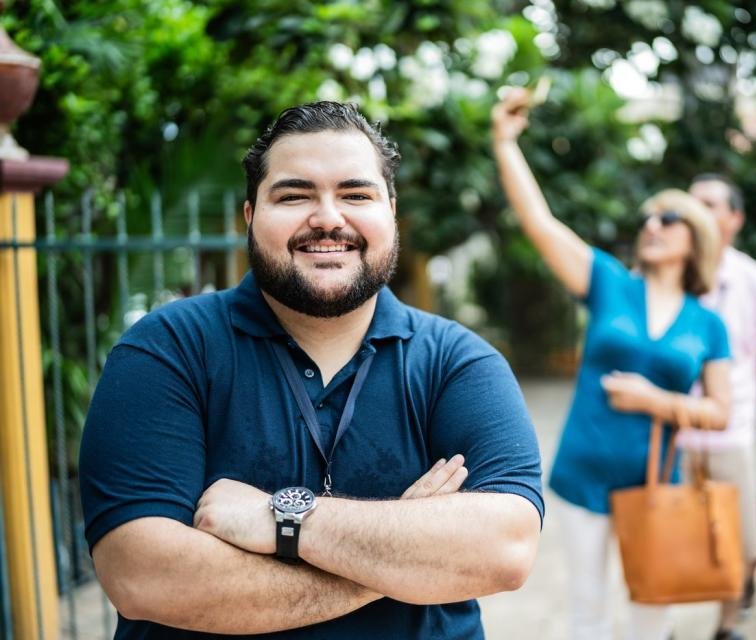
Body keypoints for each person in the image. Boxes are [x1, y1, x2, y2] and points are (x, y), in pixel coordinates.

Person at [79, 101, 544, 639]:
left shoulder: (458, 363)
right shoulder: (167, 350)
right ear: (251, 217)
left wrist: (283, 517)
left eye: (355, 194)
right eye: (295, 195)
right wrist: (398, 565)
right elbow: (144, 576)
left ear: (391, 212)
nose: (327, 217)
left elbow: (504, 549)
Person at [492, 89, 731, 640]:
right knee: (589, 616)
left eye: (667, 217)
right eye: (647, 217)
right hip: (585, 472)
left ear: (695, 238)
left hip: (654, 482)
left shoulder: (708, 324)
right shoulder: (607, 282)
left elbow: (721, 411)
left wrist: (655, 400)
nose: (652, 224)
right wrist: (505, 142)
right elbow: (538, 220)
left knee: (654, 610)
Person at [679, 174, 756, 639]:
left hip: (732, 432)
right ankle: (662, 622)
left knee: (737, 538)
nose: (695, 212)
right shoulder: (664, 274)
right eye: (690, 203)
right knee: (666, 529)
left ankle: (727, 624)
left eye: (708, 203)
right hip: (670, 432)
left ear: (735, 219)